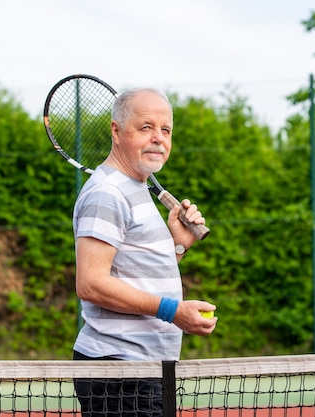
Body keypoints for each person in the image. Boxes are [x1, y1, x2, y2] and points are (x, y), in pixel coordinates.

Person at [72, 87, 217, 417]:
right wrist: (173, 312)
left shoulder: (134, 187)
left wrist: (177, 245)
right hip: (120, 372)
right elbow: (91, 284)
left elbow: (135, 272)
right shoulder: (107, 193)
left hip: (147, 369)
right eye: (146, 127)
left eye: (165, 130)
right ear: (116, 130)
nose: (158, 138)